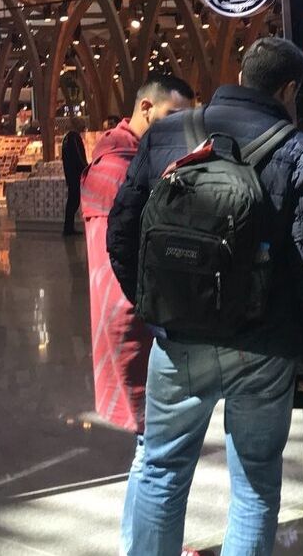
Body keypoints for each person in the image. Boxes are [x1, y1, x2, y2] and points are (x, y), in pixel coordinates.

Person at [107, 37, 303, 556]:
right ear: (288, 89)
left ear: (242, 74)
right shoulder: (299, 152)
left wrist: (159, 308)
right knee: (256, 481)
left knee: (161, 469)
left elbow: (121, 233)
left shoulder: (167, 134)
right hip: (263, 345)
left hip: (178, 344)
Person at [81, 76, 192, 555]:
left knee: (149, 449)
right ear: (145, 108)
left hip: (134, 317)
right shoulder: (119, 167)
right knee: (155, 451)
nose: (181, 132)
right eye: (173, 119)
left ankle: (141, 544)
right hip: (135, 323)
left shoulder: (126, 160)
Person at [61, 120, 88, 236]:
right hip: (75, 175)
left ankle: (69, 227)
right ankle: (68, 228)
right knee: (74, 200)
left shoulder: (66, 139)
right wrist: (86, 167)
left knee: (72, 201)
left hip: (70, 174)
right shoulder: (74, 137)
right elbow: (78, 156)